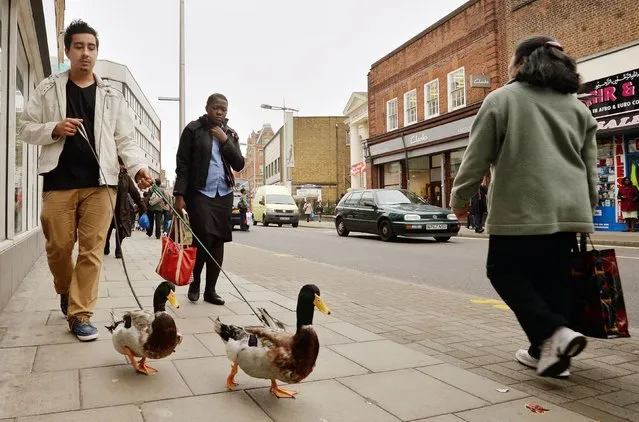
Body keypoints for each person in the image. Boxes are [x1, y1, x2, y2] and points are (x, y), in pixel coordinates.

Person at [450, 35, 597, 378]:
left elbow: (477, 157)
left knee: (504, 270)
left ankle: (554, 334)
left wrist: (458, 200)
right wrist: (585, 209)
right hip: (568, 212)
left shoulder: (502, 99)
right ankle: (547, 356)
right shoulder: (578, 108)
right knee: (553, 279)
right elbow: (589, 166)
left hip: (521, 208)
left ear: (521, 63)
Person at [19, 20, 152, 341]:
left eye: (91, 48)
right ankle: (65, 289)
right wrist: (53, 128)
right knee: (59, 247)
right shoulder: (48, 89)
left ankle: (80, 314)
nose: (85, 53)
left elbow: (126, 140)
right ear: (67, 51)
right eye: (78, 47)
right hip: (58, 181)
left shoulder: (111, 95)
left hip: (100, 185)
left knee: (92, 251)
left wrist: (138, 168)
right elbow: (24, 127)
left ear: (96, 52)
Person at [173, 93, 244, 305]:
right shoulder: (193, 130)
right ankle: (195, 283)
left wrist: (224, 140)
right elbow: (182, 164)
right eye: (216, 107)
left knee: (219, 241)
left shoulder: (230, 133)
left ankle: (210, 290)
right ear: (207, 107)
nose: (220, 112)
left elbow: (239, 163)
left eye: (224, 109)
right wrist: (179, 195)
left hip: (223, 193)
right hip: (199, 193)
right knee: (202, 238)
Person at [104, 157, 146, 259]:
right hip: (109, 206)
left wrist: (142, 206)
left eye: (122, 164)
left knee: (121, 228)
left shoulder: (126, 177)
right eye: (120, 164)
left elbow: (134, 193)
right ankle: (106, 244)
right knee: (107, 228)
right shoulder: (108, 174)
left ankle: (118, 249)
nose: (121, 166)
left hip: (121, 208)